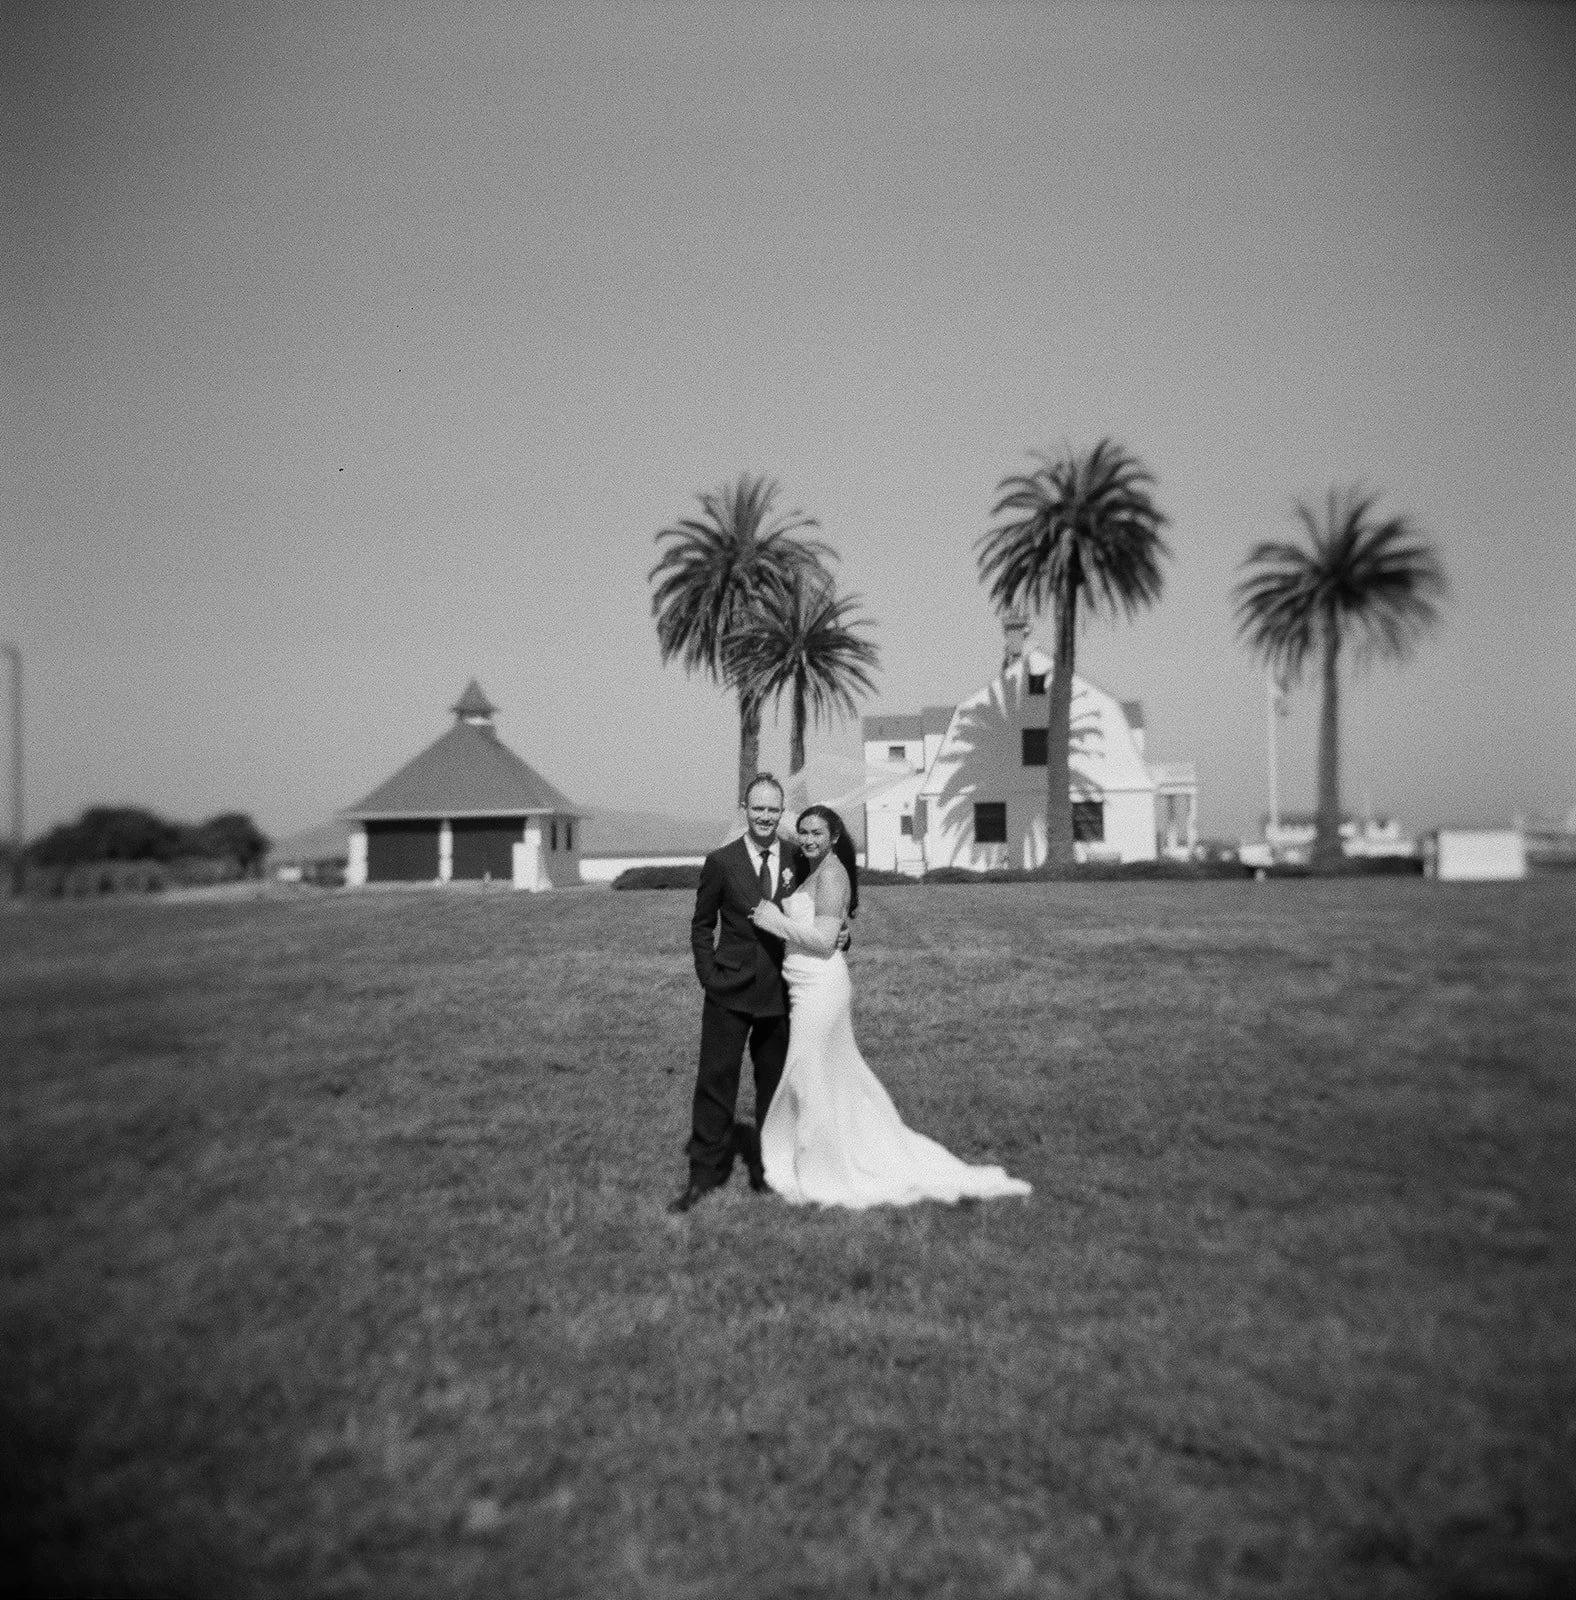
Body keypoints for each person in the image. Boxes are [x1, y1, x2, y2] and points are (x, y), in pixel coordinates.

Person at [748, 805, 1032, 1208]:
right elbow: (794, 842)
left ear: (835, 837)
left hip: (820, 988)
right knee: (825, 1077)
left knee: (806, 1075)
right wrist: (772, 815)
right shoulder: (815, 867)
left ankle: (824, 1171)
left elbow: (824, 941)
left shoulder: (830, 875)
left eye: (817, 833)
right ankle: (830, 1152)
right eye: (804, 832)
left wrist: (773, 920)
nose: (808, 839)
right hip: (803, 987)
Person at [669, 773, 804, 1214]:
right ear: (743, 811)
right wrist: (709, 975)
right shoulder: (722, 862)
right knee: (715, 1082)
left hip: (780, 994)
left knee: (775, 1086)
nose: (765, 816)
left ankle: (770, 1171)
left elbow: (818, 915)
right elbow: (702, 924)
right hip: (728, 990)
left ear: (782, 812)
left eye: (773, 809)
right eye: (757, 808)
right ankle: (704, 1175)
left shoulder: (797, 859)